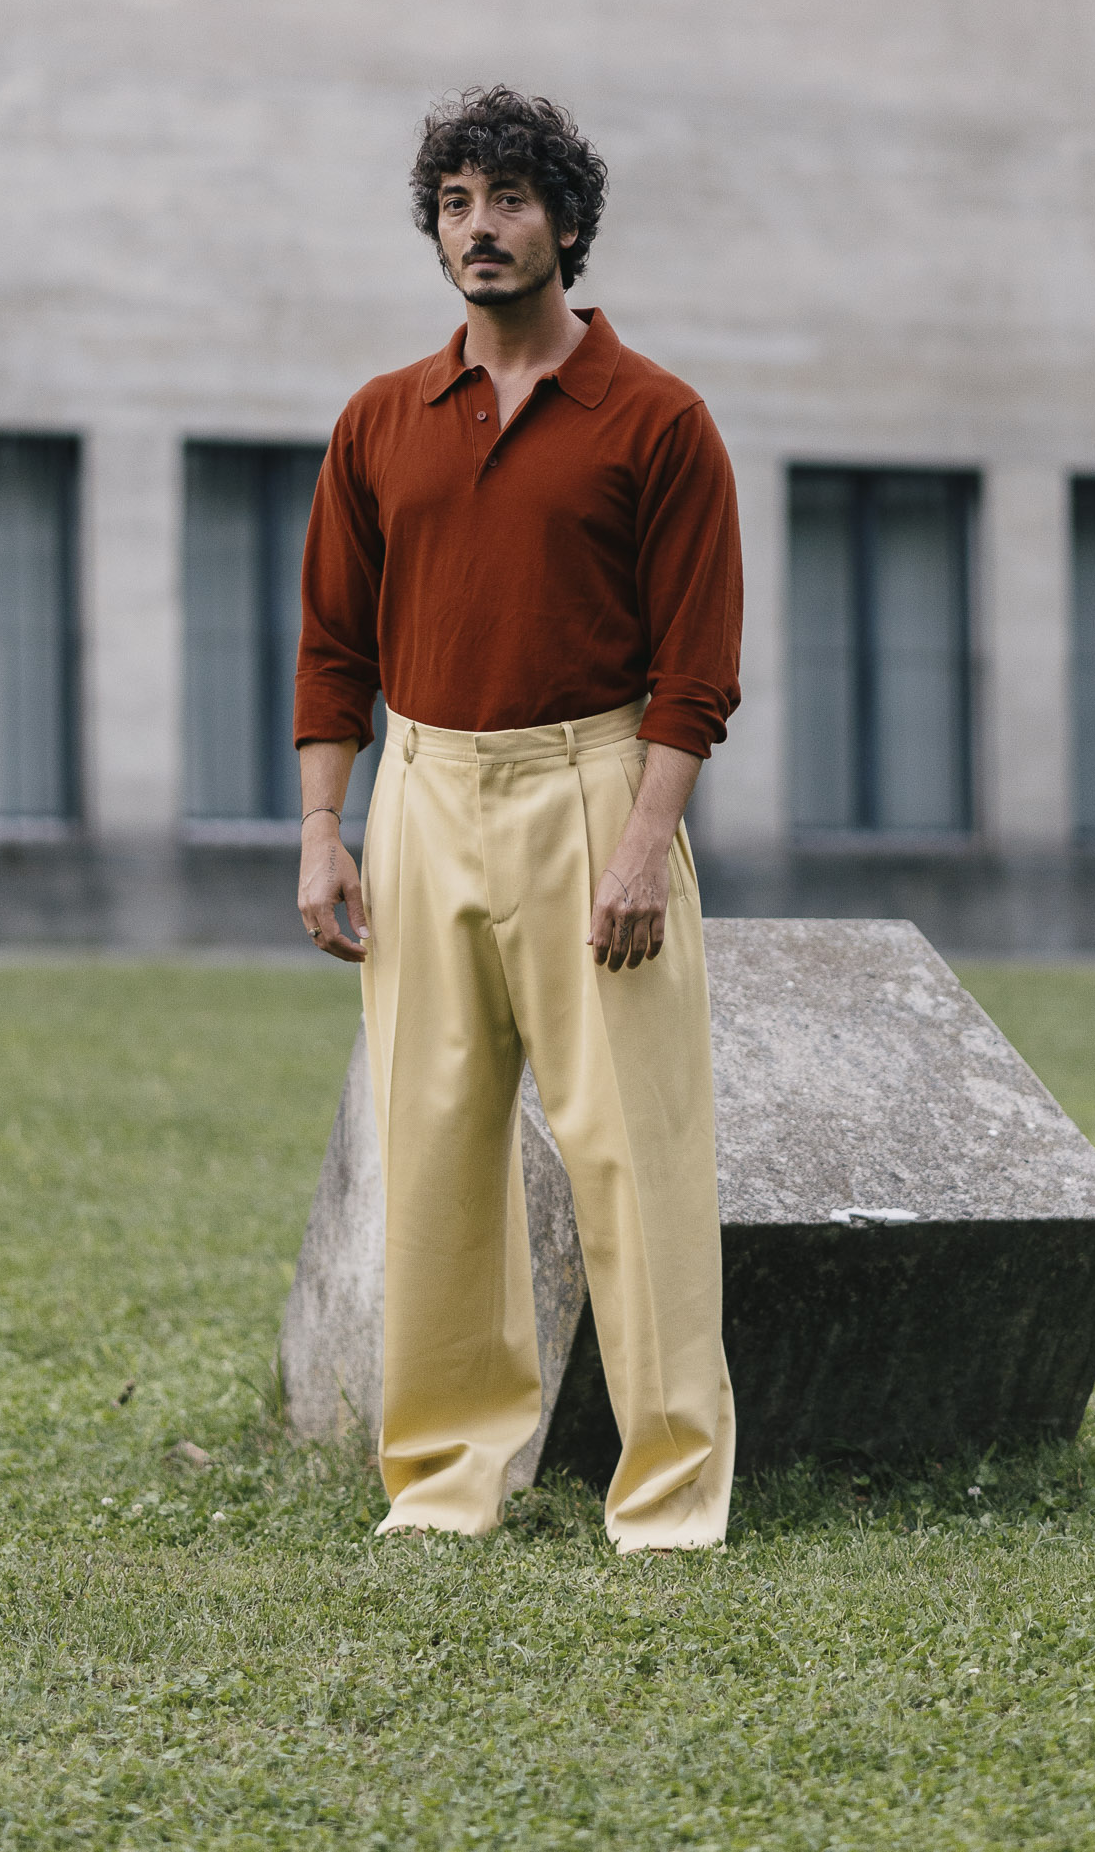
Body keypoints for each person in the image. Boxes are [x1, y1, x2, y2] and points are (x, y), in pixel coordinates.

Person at [294, 85, 742, 1551]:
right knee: (432, 1143)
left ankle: (669, 1494)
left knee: (637, 1151)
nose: (480, 231)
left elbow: (697, 671)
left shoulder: (660, 422)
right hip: (424, 795)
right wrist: (324, 827)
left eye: (509, 201)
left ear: (567, 222)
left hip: (592, 789)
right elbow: (332, 649)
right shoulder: (379, 423)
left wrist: (639, 851)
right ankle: (446, 1481)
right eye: (455, 204)